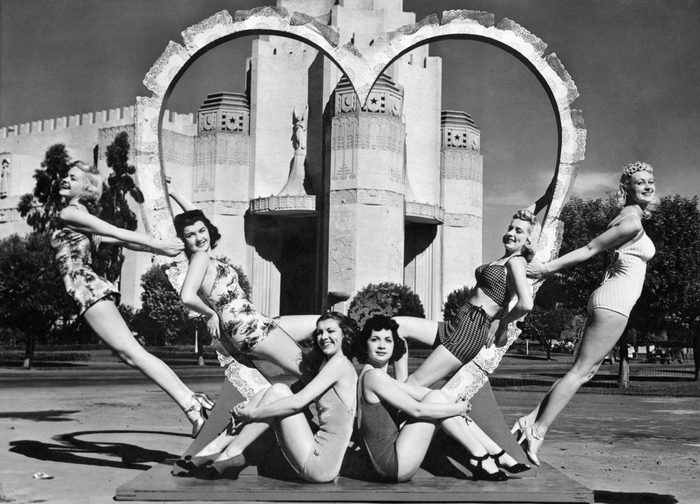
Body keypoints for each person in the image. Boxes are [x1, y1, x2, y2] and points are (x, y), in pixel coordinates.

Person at [51, 161, 213, 436]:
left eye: (73, 177)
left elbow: (117, 233)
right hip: (87, 290)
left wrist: (159, 246)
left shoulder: (69, 213)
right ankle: (192, 401)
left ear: (86, 188)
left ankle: (192, 404)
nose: (65, 179)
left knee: (132, 353)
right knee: (131, 354)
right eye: (65, 176)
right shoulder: (79, 220)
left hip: (87, 289)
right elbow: (124, 242)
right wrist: (159, 247)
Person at [515, 161, 656, 465]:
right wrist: (546, 269)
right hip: (614, 302)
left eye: (650, 181)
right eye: (639, 182)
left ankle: (530, 420)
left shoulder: (631, 217)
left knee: (582, 371)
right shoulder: (631, 222)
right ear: (627, 189)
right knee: (581, 372)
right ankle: (537, 430)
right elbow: (591, 249)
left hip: (611, 299)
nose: (647, 185)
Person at [182, 312, 357, 482]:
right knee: (275, 391)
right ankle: (215, 450)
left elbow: (297, 402)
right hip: (317, 458)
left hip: (321, 464)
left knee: (279, 391)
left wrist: (253, 413)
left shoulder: (339, 364)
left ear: (344, 334)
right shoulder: (328, 366)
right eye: (319, 332)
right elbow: (292, 394)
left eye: (331, 331)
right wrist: (250, 406)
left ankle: (228, 453)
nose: (324, 337)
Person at [355, 315, 529, 482]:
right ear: (365, 344)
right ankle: (484, 456)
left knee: (439, 396)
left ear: (395, 345)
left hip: (391, 462)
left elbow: (415, 392)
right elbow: (417, 410)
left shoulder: (373, 375)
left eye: (388, 340)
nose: (381, 346)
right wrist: (456, 409)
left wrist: (451, 401)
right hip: (393, 465)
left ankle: (494, 454)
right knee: (439, 399)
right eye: (375, 339)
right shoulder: (374, 377)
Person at [168, 188, 319, 378]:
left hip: (255, 322)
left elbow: (199, 218)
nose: (199, 238)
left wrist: (174, 193)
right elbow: (187, 296)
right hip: (249, 328)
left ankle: (298, 397)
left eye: (202, 231)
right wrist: (210, 313)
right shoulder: (200, 258)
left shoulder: (208, 258)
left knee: (322, 323)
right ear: (183, 240)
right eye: (190, 235)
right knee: (309, 372)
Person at [394, 209, 538, 387]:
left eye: (518, 231)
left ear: (529, 240)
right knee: (395, 326)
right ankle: (399, 393)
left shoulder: (517, 262)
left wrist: (503, 322)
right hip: (455, 323)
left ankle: (400, 395)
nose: (510, 233)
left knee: (414, 383)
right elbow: (529, 212)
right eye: (510, 228)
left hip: (470, 331)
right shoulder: (503, 259)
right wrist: (545, 198)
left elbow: (526, 304)